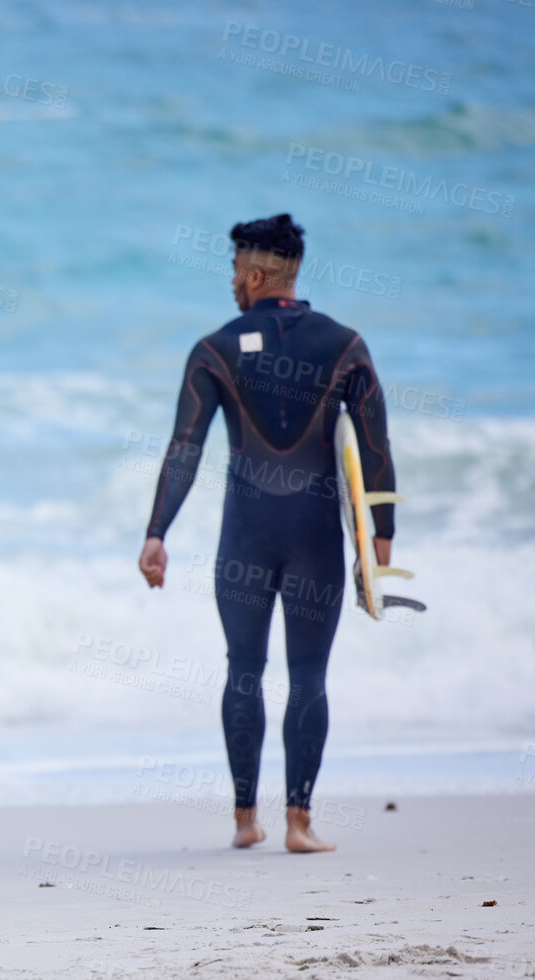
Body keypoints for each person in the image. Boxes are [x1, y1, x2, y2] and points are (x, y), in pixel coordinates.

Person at [137, 214, 395, 853]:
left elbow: (184, 450)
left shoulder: (214, 350)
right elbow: (375, 447)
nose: (231, 281)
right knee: (309, 676)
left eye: (233, 269)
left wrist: (156, 533)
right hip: (317, 543)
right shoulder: (346, 345)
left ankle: (245, 820)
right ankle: (300, 824)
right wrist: (380, 543)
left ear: (254, 274)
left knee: (244, 671)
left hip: (245, 542)